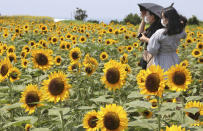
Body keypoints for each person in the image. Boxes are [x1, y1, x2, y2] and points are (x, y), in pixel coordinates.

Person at [139, 6, 187, 71]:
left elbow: (153, 50)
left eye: (163, 17)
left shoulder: (160, 33)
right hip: (174, 58)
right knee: (172, 77)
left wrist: (146, 40)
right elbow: (184, 35)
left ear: (167, 19)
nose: (162, 19)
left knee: (162, 78)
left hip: (161, 60)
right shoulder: (179, 31)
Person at [137, 3, 164, 69]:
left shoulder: (159, 29)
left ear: (153, 16)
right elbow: (139, 35)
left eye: (147, 14)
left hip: (153, 60)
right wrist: (143, 20)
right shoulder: (151, 27)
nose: (146, 15)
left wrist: (145, 39)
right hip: (146, 59)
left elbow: (159, 43)